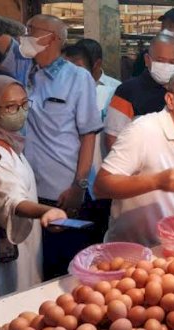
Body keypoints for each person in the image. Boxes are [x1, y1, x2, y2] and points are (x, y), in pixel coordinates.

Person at [0, 3, 102, 280]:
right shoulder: (21, 67)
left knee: (64, 272)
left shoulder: (77, 78)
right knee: (33, 268)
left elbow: (88, 135)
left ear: (51, 38)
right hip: (27, 189)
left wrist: (79, 185)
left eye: (31, 31)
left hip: (62, 192)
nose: (25, 36)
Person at [94, 66, 174, 247]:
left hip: (170, 243)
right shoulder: (142, 130)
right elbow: (101, 186)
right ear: (170, 99)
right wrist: (157, 181)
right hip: (129, 248)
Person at [0, 75, 67, 296]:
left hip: (28, 249)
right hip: (12, 256)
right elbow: (13, 200)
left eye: (24, 104)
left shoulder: (11, 144)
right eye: (10, 107)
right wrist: (46, 211)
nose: (19, 112)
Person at [64, 39, 120, 244]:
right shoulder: (64, 91)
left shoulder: (116, 90)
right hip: (73, 173)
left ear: (95, 64)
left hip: (103, 171)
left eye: (77, 67)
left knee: (99, 231)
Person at [104, 35, 174, 151]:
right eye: (160, 60)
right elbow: (112, 136)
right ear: (147, 60)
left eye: (172, 62)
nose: (166, 66)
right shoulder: (127, 91)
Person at [132, 8, 174, 77]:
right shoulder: (147, 55)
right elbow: (136, 78)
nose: (165, 30)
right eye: (163, 26)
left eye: (171, 26)